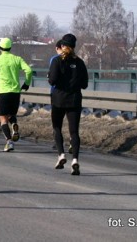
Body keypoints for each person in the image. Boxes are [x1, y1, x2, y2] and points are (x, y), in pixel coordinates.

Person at [48, 34, 88, 176]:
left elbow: (52, 81)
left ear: (63, 46)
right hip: (75, 100)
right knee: (74, 132)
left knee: (57, 127)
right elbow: (85, 84)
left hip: (58, 100)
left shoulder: (57, 61)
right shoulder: (80, 63)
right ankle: (75, 160)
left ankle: (61, 155)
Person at [0, 38, 33, 152]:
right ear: (10, 47)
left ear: (0, 48)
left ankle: (9, 141)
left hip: (3, 92)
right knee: (12, 114)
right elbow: (29, 70)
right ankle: (15, 126)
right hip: (15, 92)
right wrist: (26, 83)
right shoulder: (17, 59)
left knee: (3, 118)